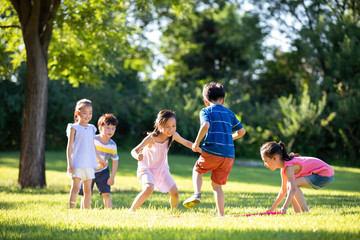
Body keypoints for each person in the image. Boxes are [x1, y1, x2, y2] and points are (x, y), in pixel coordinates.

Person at [183, 82, 246, 216]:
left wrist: (196, 143)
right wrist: (229, 138)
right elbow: (242, 132)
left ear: (206, 101)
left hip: (212, 151)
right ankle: (221, 215)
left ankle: (197, 194)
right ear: (223, 100)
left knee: (197, 170)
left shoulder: (206, 111)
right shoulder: (229, 113)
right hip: (229, 156)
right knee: (217, 186)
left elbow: (205, 125)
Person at [129, 110, 201, 211]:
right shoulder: (151, 138)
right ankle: (131, 211)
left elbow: (187, 143)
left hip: (161, 169)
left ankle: (173, 212)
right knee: (148, 189)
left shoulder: (173, 136)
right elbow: (134, 150)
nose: (171, 129)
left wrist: (197, 148)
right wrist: (137, 156)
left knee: (175, 192)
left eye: (173, 126)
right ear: (159, 126)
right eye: (167, 126)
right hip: (147, 169)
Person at [260, 141, 335, 214]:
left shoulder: (289, 168)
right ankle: (297, 213)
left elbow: (292, 189)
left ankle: (305, 212)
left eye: (266, 161)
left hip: (325, 174)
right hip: (325, 173)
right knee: (289, 185)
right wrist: (272, 209)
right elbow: (283, 191)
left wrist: (284, 208)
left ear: (274, 158)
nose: (265, 164)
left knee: (292, 185)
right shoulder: (284, 169)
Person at [66, 99, 105, 209]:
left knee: (88, 190)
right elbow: (69, 147)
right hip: (77, 162)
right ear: (78, 113)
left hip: (89, 163)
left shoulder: (92, 128)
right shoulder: (73, 128)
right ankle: (71, 211)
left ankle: (85, 212)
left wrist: (99, 159)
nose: (88, 116)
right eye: (85, 113)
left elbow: (93, 146)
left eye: (90, 113)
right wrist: (69, 163)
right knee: (75, 188)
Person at [78, 113, 119, 209]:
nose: (110, 131)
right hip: (89, 169)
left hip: (103, 171)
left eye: (113, 128)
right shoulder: (93, 139)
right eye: (108, 128)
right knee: (86, 193)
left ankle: (109, 213)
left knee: (106, 193)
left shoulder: (112, 145)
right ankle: (83, 212)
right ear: (100, 128)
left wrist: (112, 177)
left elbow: (115, 161)